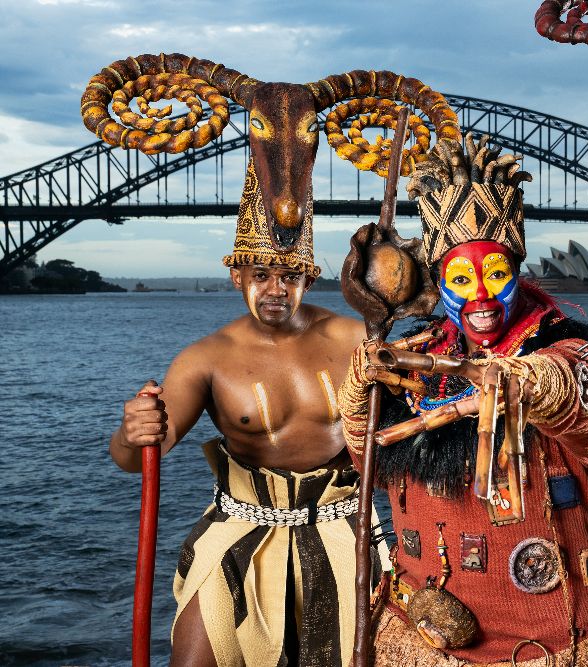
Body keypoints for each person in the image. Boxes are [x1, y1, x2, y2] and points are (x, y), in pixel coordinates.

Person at [337, 135, 588, 666]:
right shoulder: (413, 358)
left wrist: (528, 379)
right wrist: (358, 396)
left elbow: (587, 396)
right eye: (461, 279)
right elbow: (368, 459)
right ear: (439, 282)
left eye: (495, 275)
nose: (479, 296)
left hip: (553, 642)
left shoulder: (567, 342)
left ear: (517, 272)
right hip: (424, 632)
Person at [109, 160, 385, 667]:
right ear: (237, 275)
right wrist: (132, 434)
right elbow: (135, 459)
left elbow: (419, 416)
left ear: (309, 278)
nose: (277, 290)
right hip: (238, 531)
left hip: (347, 529)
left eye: (290, 276)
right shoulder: (206, 358)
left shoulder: (358, 339)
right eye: (261, 275)